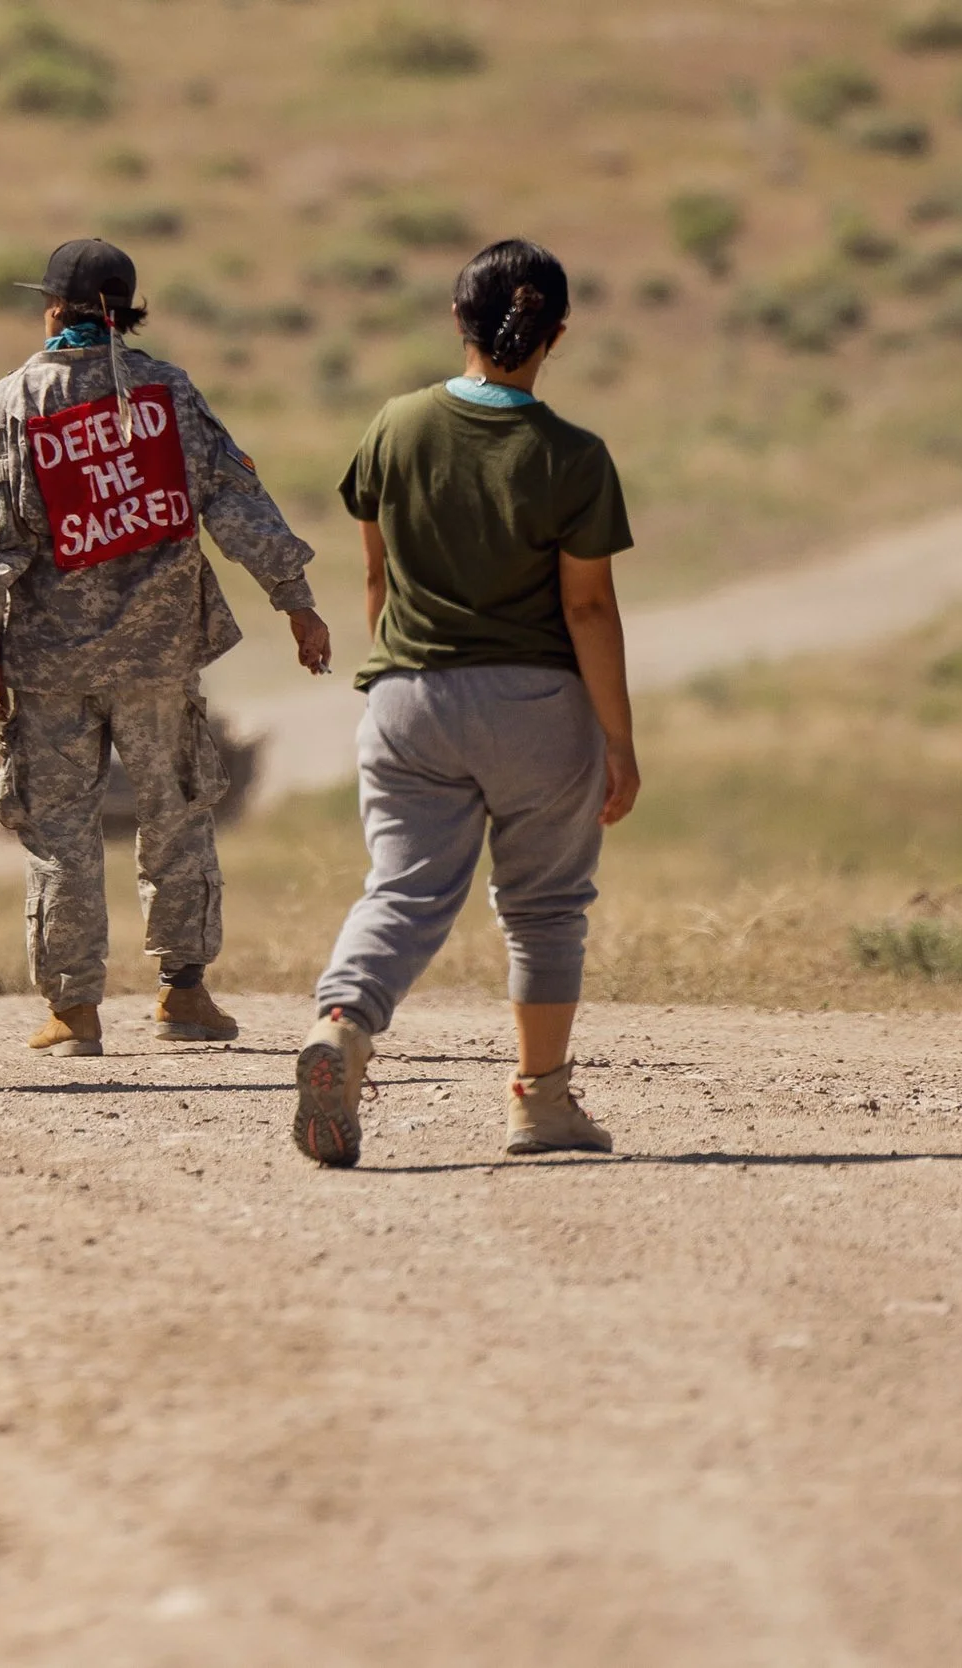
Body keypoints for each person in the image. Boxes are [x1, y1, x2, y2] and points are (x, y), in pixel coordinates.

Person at [293, 238, 640, 1167]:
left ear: (459, 320)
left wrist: (404, 676)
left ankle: (342, 1028)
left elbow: (374, 575)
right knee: (545, 909)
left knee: (402, 891)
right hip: (537, 707)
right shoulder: (574, 457)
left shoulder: (395, 426)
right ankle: (542, 1102)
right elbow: (588, 605)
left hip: (407, 696)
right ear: (556, 335)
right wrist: (619, 737)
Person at [0, 238, 329, 1057]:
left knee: (61, 836)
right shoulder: (169, 393)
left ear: (53, 309)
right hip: (159, 660)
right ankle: (183, 996)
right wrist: (296, 603)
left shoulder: (10, 404)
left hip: (50, 667)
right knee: (177, 818)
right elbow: (237, 504)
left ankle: (74, 1014)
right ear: (128, 311)